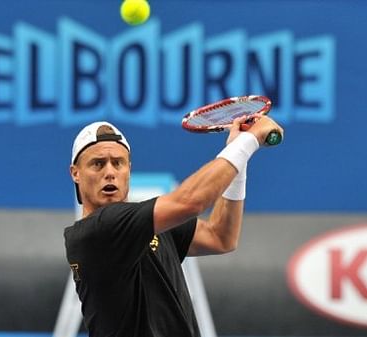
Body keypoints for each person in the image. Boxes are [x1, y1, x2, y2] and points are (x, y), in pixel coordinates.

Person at [64, 116, 283, 337]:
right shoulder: (96, 231)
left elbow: (221, 236)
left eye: (118, 163)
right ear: (75, 173)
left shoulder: (146, 223)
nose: (110, 172)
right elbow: (191, 202)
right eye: (98, 164)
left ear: (129, 169)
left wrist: (239, 162)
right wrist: (248, 141)